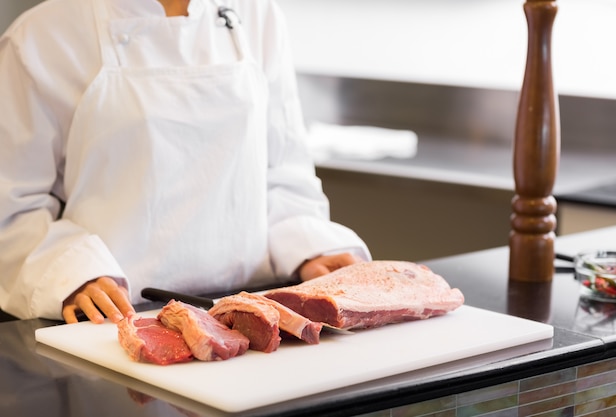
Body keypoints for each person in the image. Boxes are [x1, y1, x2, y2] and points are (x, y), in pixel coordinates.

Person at [0, 0, 371, 324]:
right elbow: (13, 209)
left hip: (251, 314)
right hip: (117, 322)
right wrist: (70, 273)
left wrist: (312, 246)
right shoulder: (41, 37)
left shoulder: (258, 14)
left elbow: (281, 172)